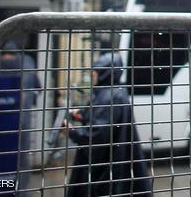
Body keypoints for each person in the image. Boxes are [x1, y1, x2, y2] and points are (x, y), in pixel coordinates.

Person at [65, 53, 152, 197]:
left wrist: (71, 131)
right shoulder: (113, 92)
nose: (92, 77)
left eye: (95, 73)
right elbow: (101, 118)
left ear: (105, 74)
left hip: (106, 164)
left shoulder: (111, 96)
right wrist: (82, 115)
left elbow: (98, 134)